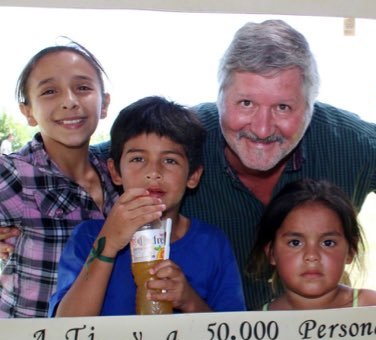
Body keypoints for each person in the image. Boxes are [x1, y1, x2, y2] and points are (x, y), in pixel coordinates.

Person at [1, 19, 376, 311]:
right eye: (245, 104)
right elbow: (85, 166)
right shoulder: (182, 139)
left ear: (311, 106)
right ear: (220, 96)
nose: (262, 128)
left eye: (283, 107)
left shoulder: (358, 145)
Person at [49, 96, 245, 320]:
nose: (154, 172)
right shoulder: (89, 236)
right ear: (115, 172)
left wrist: (189, 300)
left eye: (170, 160)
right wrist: (108, 244)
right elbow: (64, 328)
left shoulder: (212, 243)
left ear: (193, 175)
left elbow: (232, 337)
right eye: (138, 159)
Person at [248, 178, 376, 340]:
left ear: (350, 251)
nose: (312, 256)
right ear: (271, 252)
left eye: (328, 243)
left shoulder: (373, 311)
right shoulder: (257, 328)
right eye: (295, 242)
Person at [0, 40, 118, 317]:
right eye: (50, 91)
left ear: (104, 104)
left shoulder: (118, 173)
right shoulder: (16, 175)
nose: (69, 101)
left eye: (83, 87)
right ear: (27, 112)